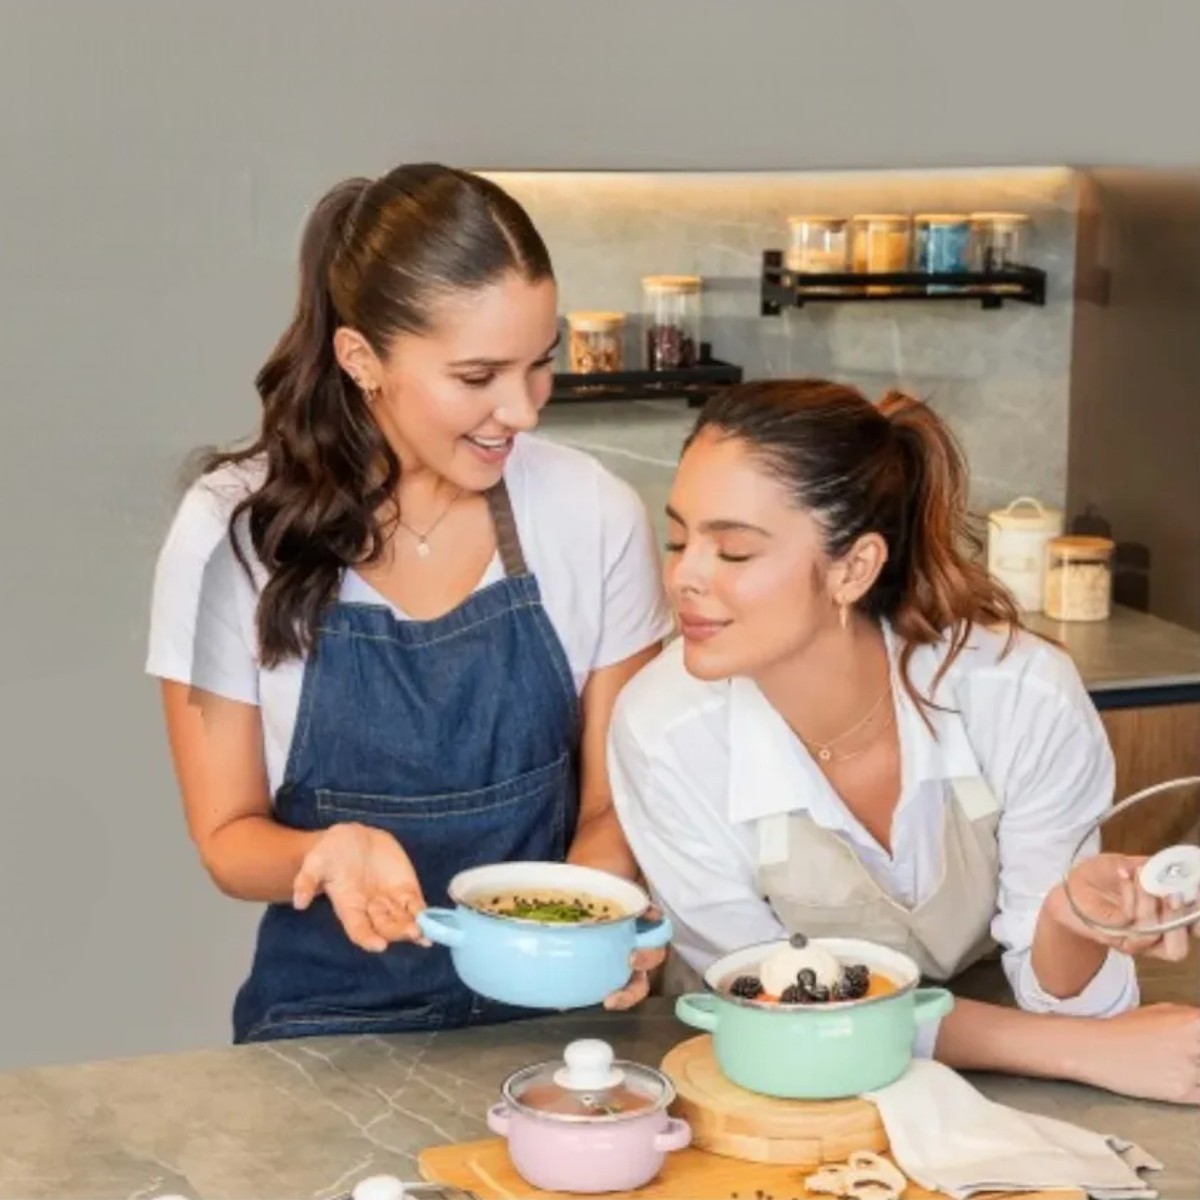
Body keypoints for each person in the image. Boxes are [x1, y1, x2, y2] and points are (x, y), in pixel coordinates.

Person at [146, 164, 672, 1043]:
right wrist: (327, 852)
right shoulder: (229, 532)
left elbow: (611, 806)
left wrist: (587, 928)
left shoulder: (594, 513)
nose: (522, 411)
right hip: (326, 1022)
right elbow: (227, 838)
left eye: (540, 364)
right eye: (478, 376)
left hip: (556, 1017)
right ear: (362, 359)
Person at [609, 379, 1200, 1105]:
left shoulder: (1019, 695)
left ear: (854, 568)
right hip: (768, 1086)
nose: (684, 576)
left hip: (989, 1079)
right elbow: (778, 1001)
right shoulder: (665, 730)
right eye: (678, 540)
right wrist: (1081, 1053)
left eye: (732, 551)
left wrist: (1068, 920)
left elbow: (1071, 999)